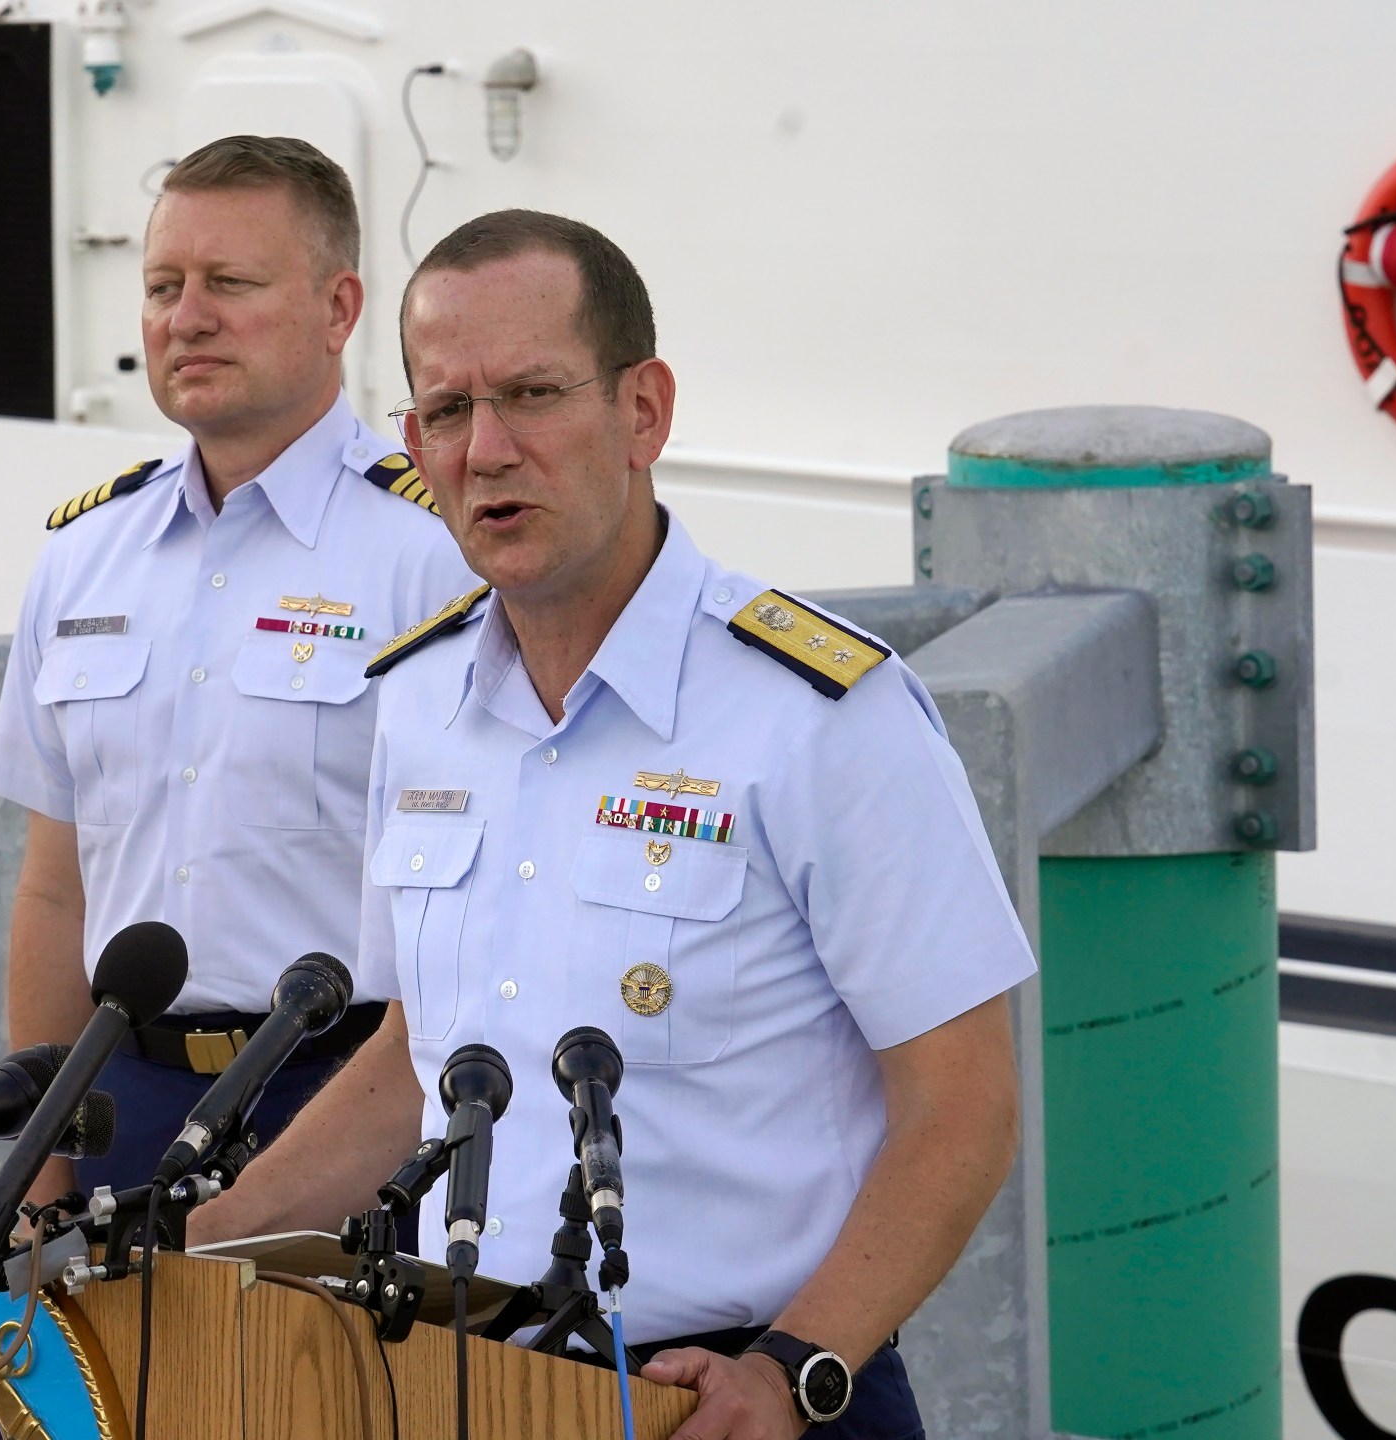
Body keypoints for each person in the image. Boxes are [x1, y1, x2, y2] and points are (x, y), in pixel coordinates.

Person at [189, 210, 1034, 1440]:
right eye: (443, 410)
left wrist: (798, 1366)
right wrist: (198, 1250)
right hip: (458, 1385)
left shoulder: (815, 716)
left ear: (643, 411)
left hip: (735, 1402)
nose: (484, 452)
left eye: (531, 394)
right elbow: (415, 1057)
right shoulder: (420, 699)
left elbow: (961, 1103)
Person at [0, 136, 477, 1204]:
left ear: (339, 308)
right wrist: (40, 1161)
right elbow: (53, 890)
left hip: (355, 1095)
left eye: (230, 283)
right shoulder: (81, 557)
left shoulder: (433, 554)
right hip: (126, 1098)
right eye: (163, 286)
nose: (185, 317)